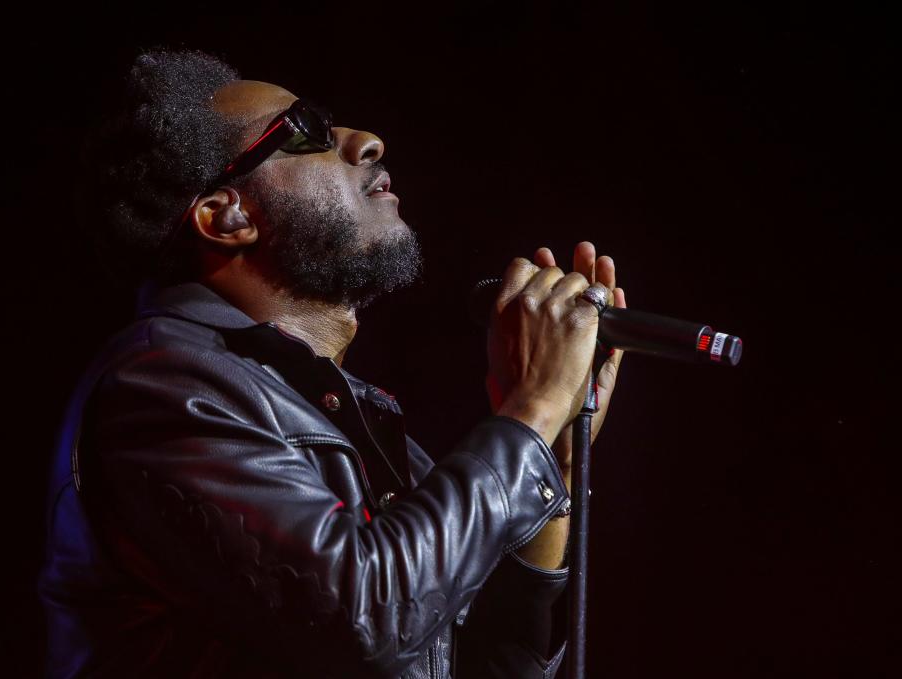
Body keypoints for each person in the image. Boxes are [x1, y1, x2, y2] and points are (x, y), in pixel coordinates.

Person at [39, 48, 626, 679]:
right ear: (225, 216)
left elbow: (495, 665)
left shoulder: (346, 410)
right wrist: (531, 412)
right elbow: (362, 621)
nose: (367, 141)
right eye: (305, 133)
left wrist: (554, 461)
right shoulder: (160, 386)